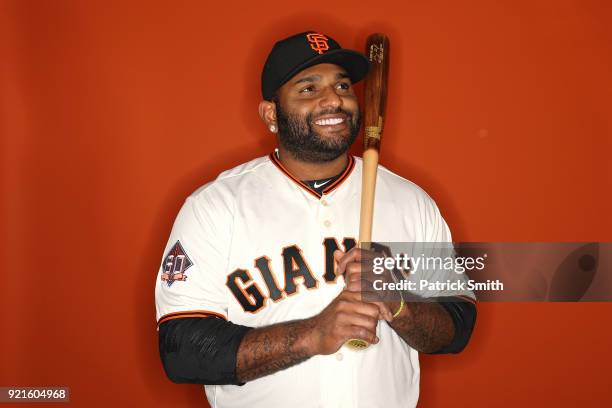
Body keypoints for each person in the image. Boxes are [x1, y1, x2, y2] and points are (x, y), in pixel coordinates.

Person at [155, 31, 476, 408]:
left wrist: (399, 304)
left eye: (342, 85)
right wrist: (312, 334)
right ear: (271, 114)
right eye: (308, 89)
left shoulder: (411, 201)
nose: (333, 99)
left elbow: (457, 325)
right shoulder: (215, 206)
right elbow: (181, 350)